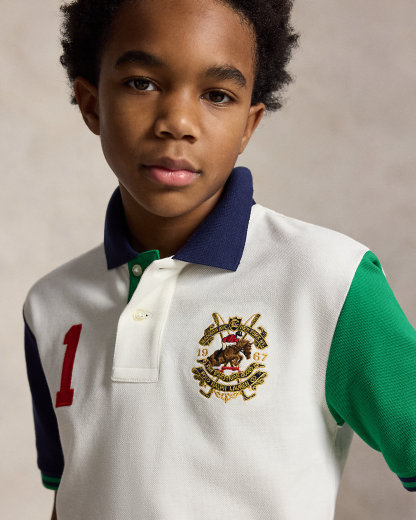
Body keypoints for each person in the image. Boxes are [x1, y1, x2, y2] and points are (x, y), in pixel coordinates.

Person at [23, 1, 416, 519]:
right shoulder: (50, 305)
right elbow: (72, 493)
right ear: (91, 103)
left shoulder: (332, 283)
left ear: (249, 124)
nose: (177, 123)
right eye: (142, 83)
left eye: (217, 95)